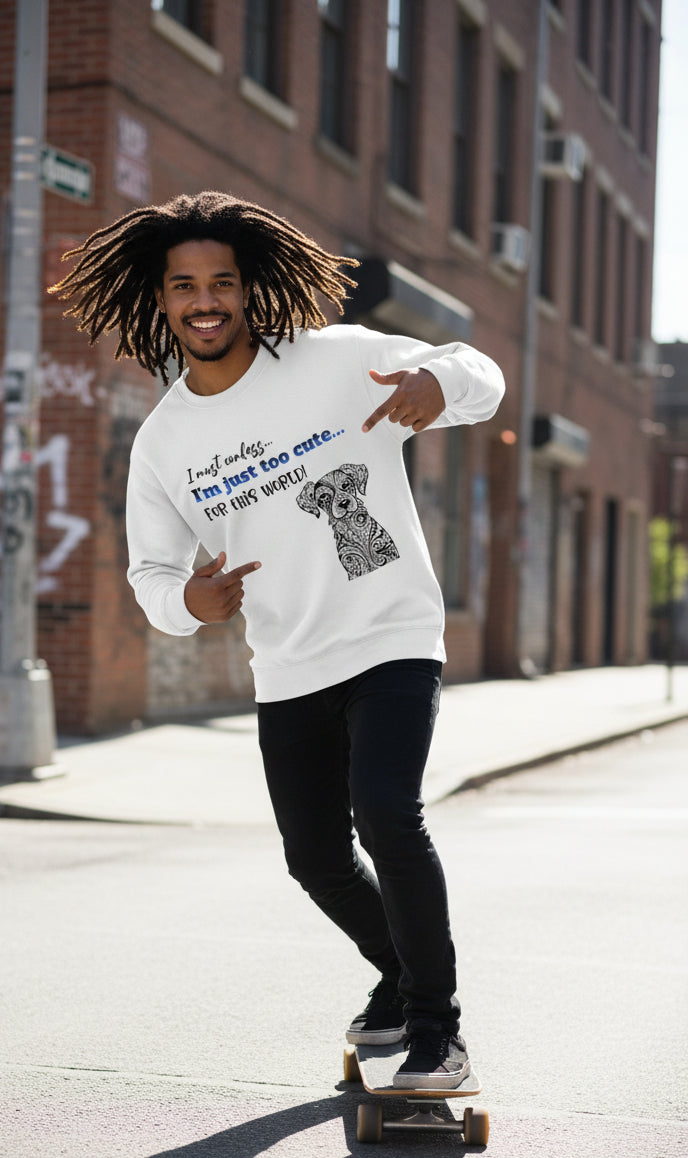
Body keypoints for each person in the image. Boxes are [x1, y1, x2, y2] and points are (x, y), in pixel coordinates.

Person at [53, 190, 504, 1090]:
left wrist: (437, 385)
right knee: (315, 859)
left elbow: (480, 372)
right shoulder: (166, 442)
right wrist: (191, 601)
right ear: (161, 299)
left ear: (251, 288)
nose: (205, 300)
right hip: (288, 665)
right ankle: (398, 974)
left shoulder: (337, 361)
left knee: (387, 811)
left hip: (390, 637)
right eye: (185, 285)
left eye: (222, 281)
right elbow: (151, 579)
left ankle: (435, 1030)